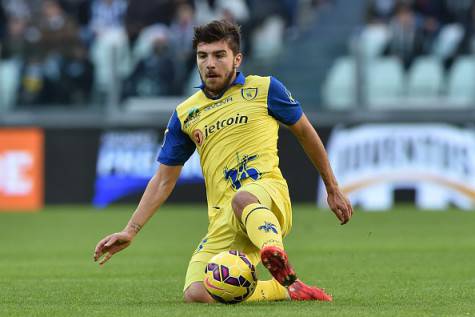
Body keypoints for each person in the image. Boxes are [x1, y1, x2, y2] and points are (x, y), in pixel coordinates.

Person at [93, 19, 353, 303]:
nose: (210, 64)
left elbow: (305, 132)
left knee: (242, 198)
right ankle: (286, 289)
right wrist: (130, 230)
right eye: (202, 56)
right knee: (197, 293)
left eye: (219, 55)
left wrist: (332, 187)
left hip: (266, 196)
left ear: (237, 59)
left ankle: (275, 253)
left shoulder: (265, 89)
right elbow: (164, 179)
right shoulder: (186, 113)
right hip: (223, 220)